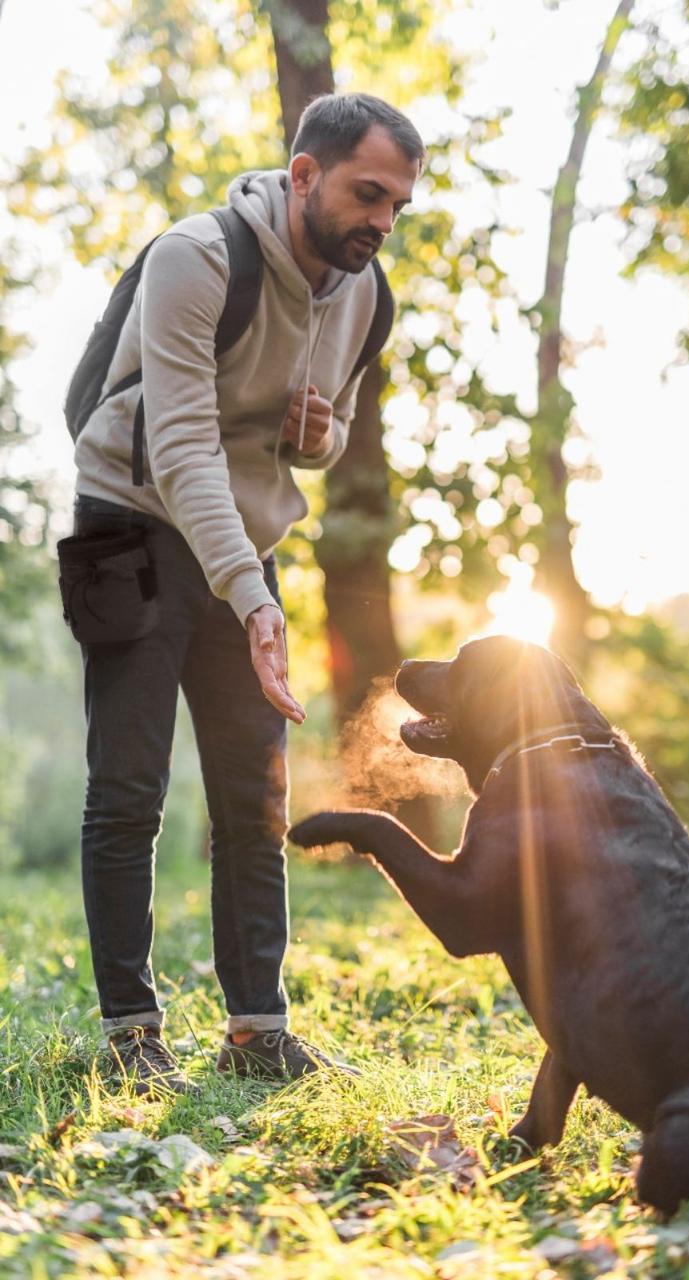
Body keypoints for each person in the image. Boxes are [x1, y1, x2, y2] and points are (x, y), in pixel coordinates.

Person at [70, 93, 425, 1094]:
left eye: (398, 204)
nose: (381, 221)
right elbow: (180, 446)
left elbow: (332, 432)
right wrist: (253, 597)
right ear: (304, 175)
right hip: (122, 521)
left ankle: (257, 1027)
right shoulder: (195, 256)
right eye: (367, 194)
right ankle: (132, 1030)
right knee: (128, 785)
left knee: (254, 795)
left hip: (241, 540)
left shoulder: (366, 290)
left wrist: (314, 433)